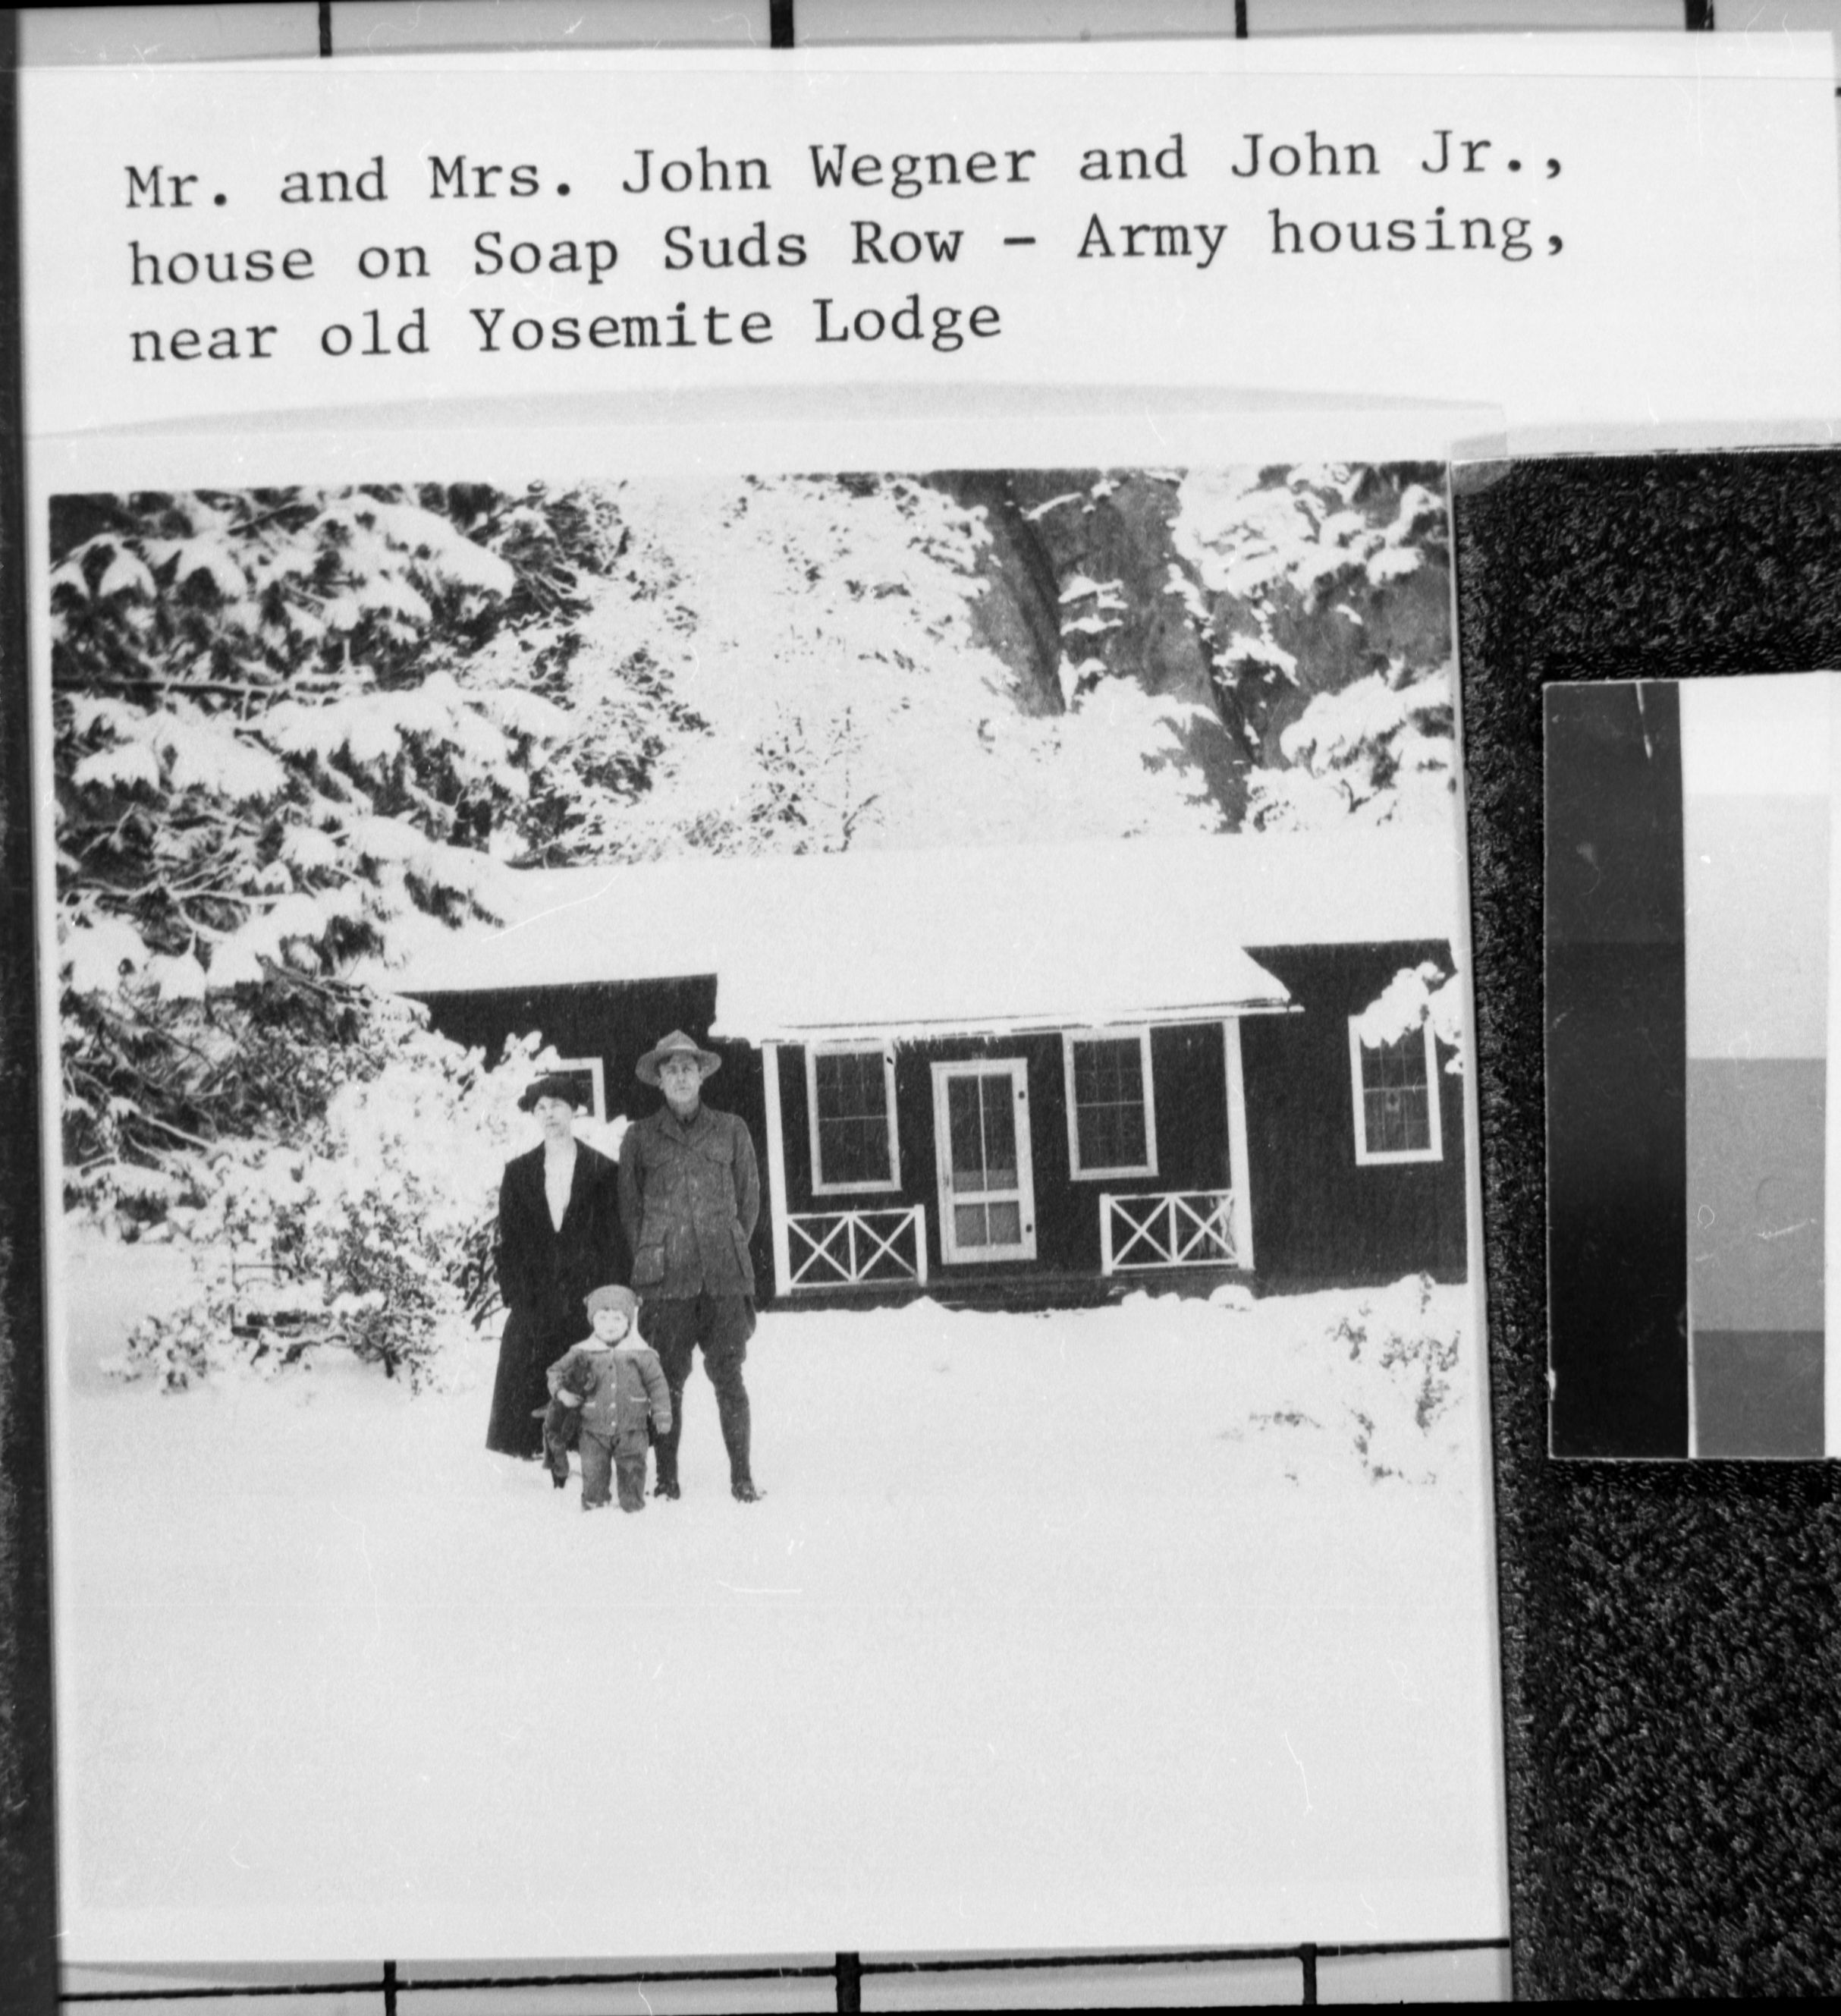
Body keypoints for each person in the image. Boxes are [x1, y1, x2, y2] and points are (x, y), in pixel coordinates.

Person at [617, 1030, 764, 1503]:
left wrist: (724, 1241)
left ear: (701, 1074)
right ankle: (666, 1479)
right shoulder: (640, 1138)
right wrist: (655, 1256)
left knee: (729, 1378)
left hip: (723, 1277)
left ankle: (741, 1476)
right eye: (670, 1069)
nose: (680, 1077)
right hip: (666, 1282)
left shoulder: (732, 1130)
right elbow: (630, 1211)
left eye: (688, 1068)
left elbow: (749, 1201)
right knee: (667, 1382)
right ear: (658, 1080)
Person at [485, 1072, 628, 1460]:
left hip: (586, 1300)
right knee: (527, 1375)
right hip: (535, 1299)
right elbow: (510, 1242)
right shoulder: (518, 1173)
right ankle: (529, 1451)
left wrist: (607, 1301)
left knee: (589, 1379)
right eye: (541, 1108)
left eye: (557, 1106)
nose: (549, 1115)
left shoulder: (603, 1170)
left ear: (574, 1110)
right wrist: (518, 1295)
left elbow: (614, 1241)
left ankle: (591, 1449)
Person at [542, 1285, 672, 1512]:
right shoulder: (583, 1352)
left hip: (632, 1429)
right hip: (593, 1431)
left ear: (629, 1322)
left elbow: (657, 1384)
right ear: (593, 1322)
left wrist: (662, 1414)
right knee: (593, 1473)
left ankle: (633, 1510)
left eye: (617, 1319)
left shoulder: (642, 1354)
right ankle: (595, 1506)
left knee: (633, 1469)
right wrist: (562, 1394)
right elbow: (555, 1372)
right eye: (603, 1319)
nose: (610, 1326)